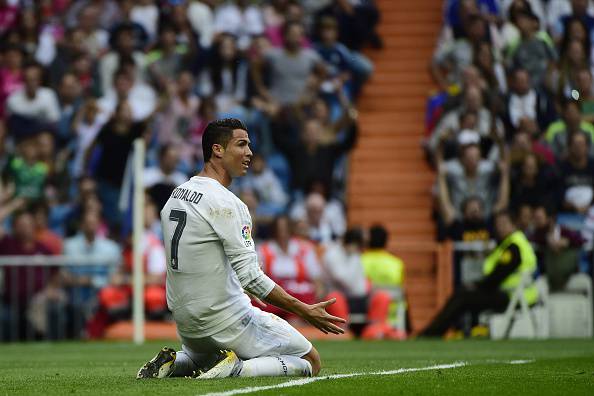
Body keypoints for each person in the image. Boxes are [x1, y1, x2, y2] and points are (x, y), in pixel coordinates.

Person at [137, 118, 345, 380]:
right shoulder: (227, 204)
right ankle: (237, 368)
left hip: (186, 325)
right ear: (218, 150)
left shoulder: (176, 196)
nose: (249, 153)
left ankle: (178, 362)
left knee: (210, 354)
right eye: (241, 144)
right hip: (226, 321)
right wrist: (304, 310)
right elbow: (251, 277)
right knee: (310, 360)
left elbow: (203, 259)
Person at [420, 210, 538, 337]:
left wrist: (477, 286)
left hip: (514, 296)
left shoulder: (513, 246)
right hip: (514, 293)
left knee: (463, 296)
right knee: (464, 294)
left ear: (514, 224)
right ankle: (442, 331)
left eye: (504, 223)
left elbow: (498, 275)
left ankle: (432, 333)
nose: (500, 227)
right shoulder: (512, 244)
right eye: (498, 224)